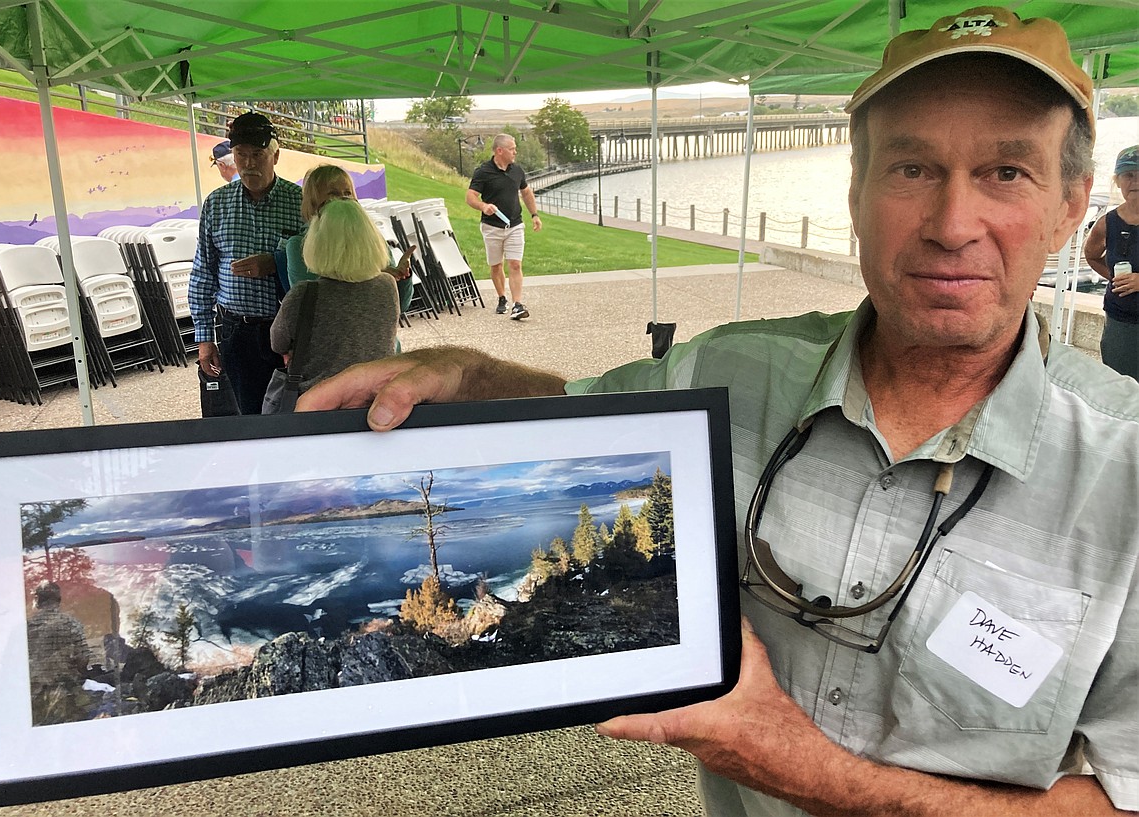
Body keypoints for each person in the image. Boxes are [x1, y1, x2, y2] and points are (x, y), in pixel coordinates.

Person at [299, 7, 1139, 814]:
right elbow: (581, 419)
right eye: (912, 169)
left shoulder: (1124, 473)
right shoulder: (734, 368)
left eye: (1006, 171)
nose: (953, 223)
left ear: (1072, 208)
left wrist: (804, 770)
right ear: (855, 196)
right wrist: (464, 369)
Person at [189, 112, 303, 414]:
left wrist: (277, 262)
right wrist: (204, 339)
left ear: (275, 156)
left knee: (296, 416)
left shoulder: (300, 202)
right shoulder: (216, 203)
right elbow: (203, 273)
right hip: (236, 331)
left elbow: (318, 269)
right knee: (249, 418)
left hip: (290, 333)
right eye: (241, 155)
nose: (250, 163)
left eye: (258, 154)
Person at [270, 198, 399, 392]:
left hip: (318, 402)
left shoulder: (303, 294)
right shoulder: (387, 285)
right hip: (374, 397)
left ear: (317, 243)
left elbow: (277, 342)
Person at [283, 164, 415, 314]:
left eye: (347, 193)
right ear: (313, 204)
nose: (343, 199)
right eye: (332, 194)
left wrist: (402, 277)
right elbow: (317, 305)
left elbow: (401, 306)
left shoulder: (373, 238)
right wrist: (377, 277)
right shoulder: (298, 246)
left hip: (379, 334)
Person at [466, 134, 542, 320]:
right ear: (499, 151)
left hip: (515, 224)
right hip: (492, 227)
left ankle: (517, 304)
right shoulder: (483, 172)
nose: (515, 151)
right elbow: (470, 197)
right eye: (512, 148)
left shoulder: (517, 171)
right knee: (496, 265)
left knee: (515, 264)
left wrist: (534, 215)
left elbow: (526, 193)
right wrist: (484, 206)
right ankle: (502, 298)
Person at [1084, 145, 1139, 380]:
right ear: (1118, 181)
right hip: (1120, 321)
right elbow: (1092, 255)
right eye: (1128, 175)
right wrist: (1113, 278)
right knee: (1118, 384)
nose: (1135, 181)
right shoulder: (1107, 223)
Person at [27, 581, 92, 725]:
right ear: (59, 600)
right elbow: (83, 658)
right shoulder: (71, 624)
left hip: (31, 699)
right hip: (64, 695)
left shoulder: (24, 628)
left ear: (37, 600)